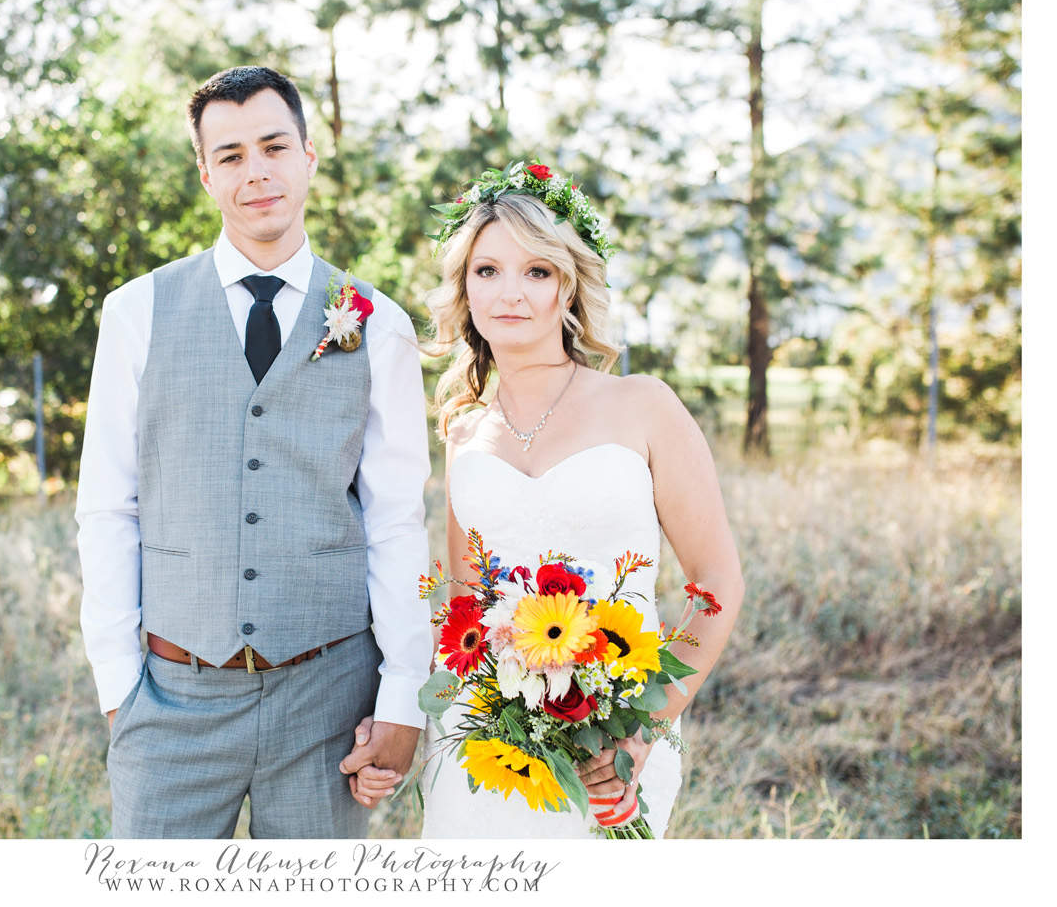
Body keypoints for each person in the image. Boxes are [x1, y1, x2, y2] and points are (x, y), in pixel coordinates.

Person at [75, 66, 431, 839]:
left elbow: (396, 520)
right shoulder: (136, 311)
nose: (255, 171)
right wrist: (118, 686)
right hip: (173, 695)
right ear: (205, 173)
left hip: (328, 700)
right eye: (230, 155)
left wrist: (403, 694)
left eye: (273, 146)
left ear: (308, 154)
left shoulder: (377, 322)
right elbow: (107, 506)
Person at [356, 162, 743, 837]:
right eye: (487, 271)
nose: (511, 293)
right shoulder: (463, 429)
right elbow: (464, 611)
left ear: (567, 287)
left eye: (537, 272)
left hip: (612, 744)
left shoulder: (642, 405)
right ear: (463, 286)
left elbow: (717, 583)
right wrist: (404, 715)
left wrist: (643, 727)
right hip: (487, 743)